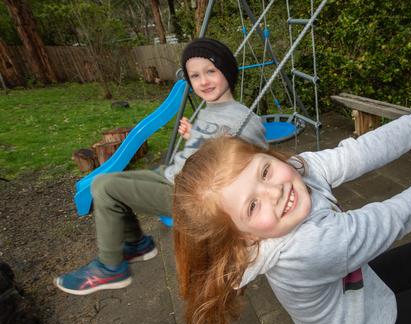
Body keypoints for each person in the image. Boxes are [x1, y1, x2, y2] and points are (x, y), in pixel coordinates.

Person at [173, 76, 411, 324]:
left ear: (267, 155)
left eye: (265, 171)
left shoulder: (297, 169)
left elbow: (368, 149)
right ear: (245, 238)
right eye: (253, 205)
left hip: (357, 291)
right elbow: (389, 218)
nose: (276, 192)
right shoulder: (307, 248)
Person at [54, 38, 268, 296]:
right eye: (195, 76)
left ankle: (111, 268)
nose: (203, 81)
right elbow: (210, 145)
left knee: (105, 187)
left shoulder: (245, 119)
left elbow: (259, 166)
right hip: (172, 176)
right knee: (115, 179)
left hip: (191, 197)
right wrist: (193, 136)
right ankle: (137, 245)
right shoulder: (208, 108)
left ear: (227, 71)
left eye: (211, 71)